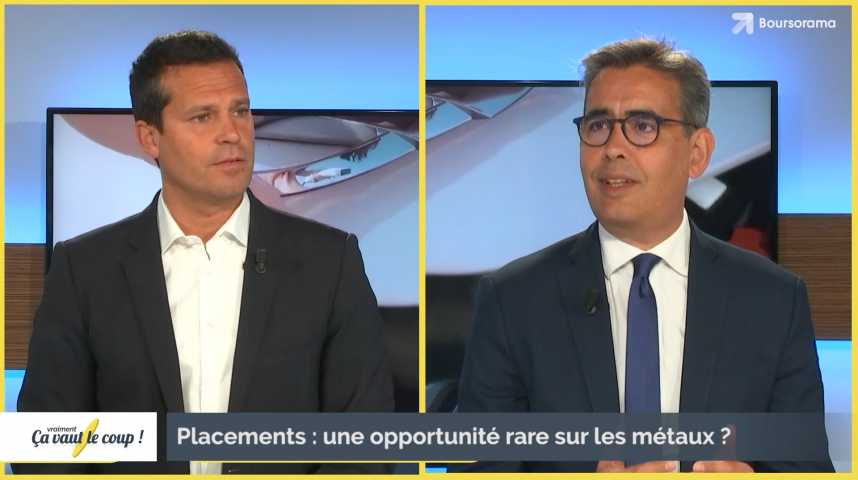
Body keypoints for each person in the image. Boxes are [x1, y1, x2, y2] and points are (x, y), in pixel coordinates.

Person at [15, 30, 393, 475]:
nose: (232, 134)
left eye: (240, 111)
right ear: (149, 138)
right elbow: (45, 447)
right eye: (202, 117)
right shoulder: (84, 271)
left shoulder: (330, 264)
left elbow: (365, 445)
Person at [455, 38, 833, 473]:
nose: (613, 148)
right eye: (598, 125)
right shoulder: (512, 301)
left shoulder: (774, 301)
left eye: (642, 126)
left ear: (697, 153)